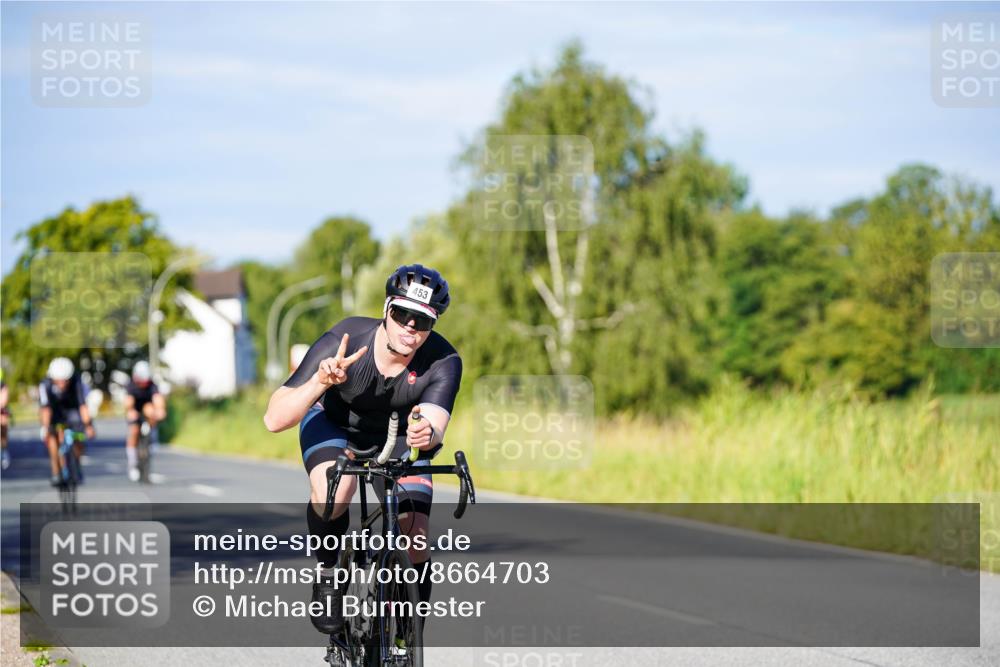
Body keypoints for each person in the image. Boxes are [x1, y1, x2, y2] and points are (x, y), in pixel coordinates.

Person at [264, 264, 462, 635]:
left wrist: (427, 434)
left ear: (433, 325)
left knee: (415, 535)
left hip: (399, 436)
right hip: (335, 425)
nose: (410, 328)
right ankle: (328, 573)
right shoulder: (347, 338)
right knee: (333, 490)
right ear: (386, 308)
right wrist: (320, 382)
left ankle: (407, 634)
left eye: (422, 321)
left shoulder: (444, 360)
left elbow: (435, 421)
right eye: (402, 314)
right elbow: (274, 419)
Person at [39, 357, 95, 486]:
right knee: (52, 437)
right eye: (58, 381)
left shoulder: (76, 382)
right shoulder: (45, 385)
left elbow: (82, 406)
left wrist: (88, 426)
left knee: (79, 436)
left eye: (65, 380)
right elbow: (45, 409)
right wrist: (46, 428)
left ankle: (76, 463)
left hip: (72, 409)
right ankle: (56, 471)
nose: (62, 384)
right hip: (54, 411)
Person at [123, 361, 166, 482]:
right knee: (134, 431)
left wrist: (161, 410)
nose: (143, 384)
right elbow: (128, 403)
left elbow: (158, 399)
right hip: (134, 409)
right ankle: (132, 463)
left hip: (147, 407)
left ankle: (152, 436)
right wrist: (130, 411)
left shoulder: (152, 385)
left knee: (151, 410)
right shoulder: (131, 385)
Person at [1, 369, 10, 470]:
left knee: (3, 426)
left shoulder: (3, 386)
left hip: (1, 411)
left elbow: (4, 401)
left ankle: (4, 452)